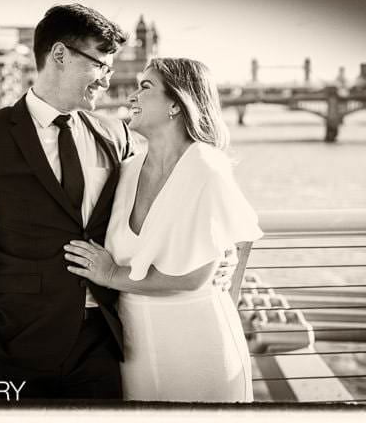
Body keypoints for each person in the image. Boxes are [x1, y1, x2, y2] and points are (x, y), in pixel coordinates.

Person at [0, 4, 133, 401]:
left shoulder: (116, 136)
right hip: (15, 344)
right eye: (100, 65)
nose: (107, 81)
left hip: (103, 341)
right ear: (59, 55)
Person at [65, 58, 263, 402]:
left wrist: (110, 273)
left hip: (198, 344)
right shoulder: (125, 171)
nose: (130, 97)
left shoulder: (205, 166)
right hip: (135, 347)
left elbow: (194, 276)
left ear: (177, 102)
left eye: (145, 87)